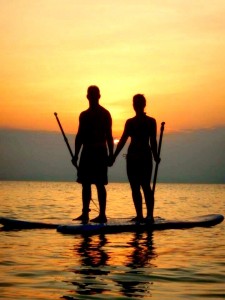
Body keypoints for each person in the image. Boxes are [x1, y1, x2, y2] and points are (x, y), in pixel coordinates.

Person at [112, 94, 160, 223]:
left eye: (139, 103)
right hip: (132, 157)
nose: (137, 105)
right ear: (133, 105)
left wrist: (155, 155)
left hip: (145, 156)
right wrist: (114, 156)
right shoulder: (130, 122)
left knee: (145, 186)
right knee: (134, 187)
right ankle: (139, 215)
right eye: (135, 103)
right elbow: (122, 140)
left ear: (144, 104)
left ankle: (149, 215)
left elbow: (153, 141)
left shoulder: (151, 121)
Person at [72, 85, 114, 223]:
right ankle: (85, 213)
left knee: (100, 184)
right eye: (91, 94)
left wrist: (111, 155)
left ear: (99, 96)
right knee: (86, 183)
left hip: (100, 152)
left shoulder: (105, 114)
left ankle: (102, 214)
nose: (93, 97)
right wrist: (76, 154)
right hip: (87, 152)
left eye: (95, 94)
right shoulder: (83, 115)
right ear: (87, 96)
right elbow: (80, 136)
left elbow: (109, 136)